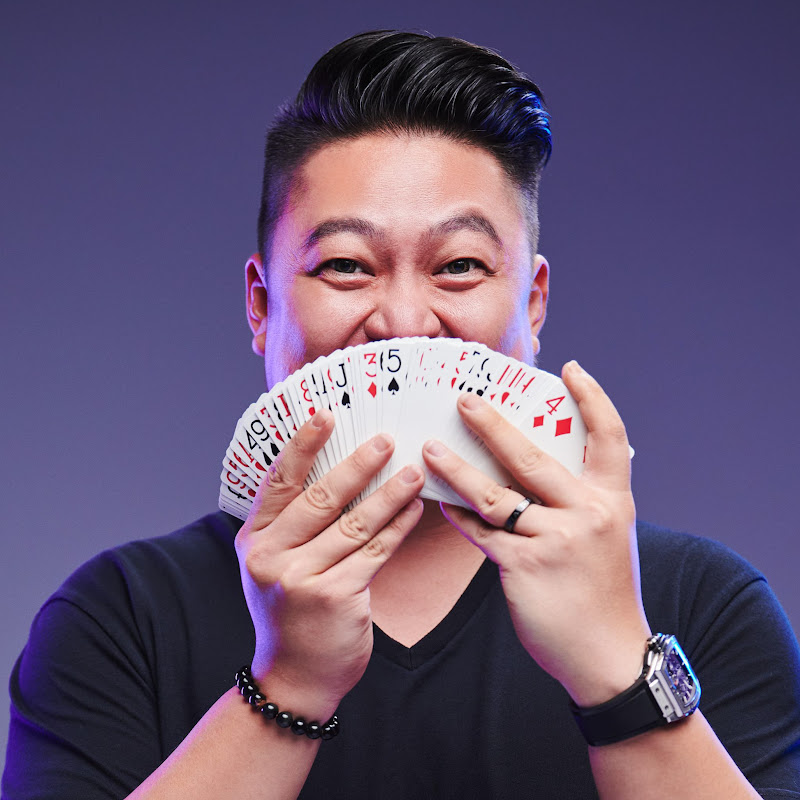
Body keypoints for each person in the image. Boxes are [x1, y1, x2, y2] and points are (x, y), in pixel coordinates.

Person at [3, 29, 800, 800]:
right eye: (347, 266)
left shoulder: (703, 601)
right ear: (261, 305)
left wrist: (616, 670)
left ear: (533, 303)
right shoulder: (122, 617)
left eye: (460, 265)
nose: (405, 322)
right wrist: (289, 688)